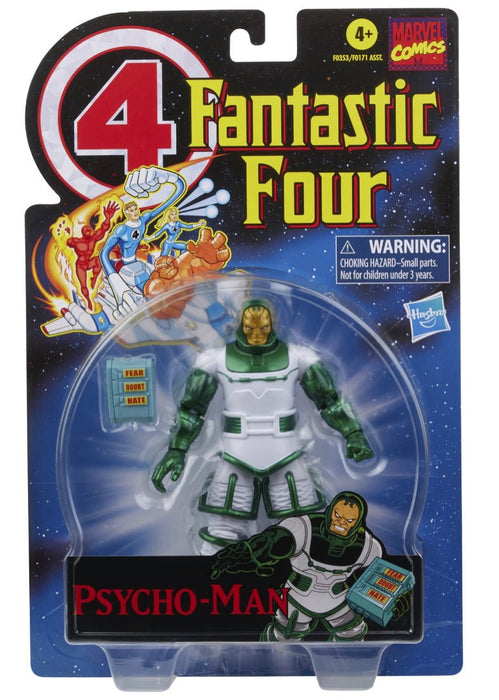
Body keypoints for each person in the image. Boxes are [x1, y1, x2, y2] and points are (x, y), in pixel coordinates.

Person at [152, 299, 374, 554]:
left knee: (298, 532)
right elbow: (191, 410)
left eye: (263, 328)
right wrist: (176, 450)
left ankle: (295, 576)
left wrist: (353, 433)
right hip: (235, 456)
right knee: (222, 533)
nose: (256, 335)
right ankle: (218, 576)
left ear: (272, 325)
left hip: (285, 455)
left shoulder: (299, 358)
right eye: (250, 328)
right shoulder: (215, 360)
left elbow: (330, 401)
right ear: (240, 326)